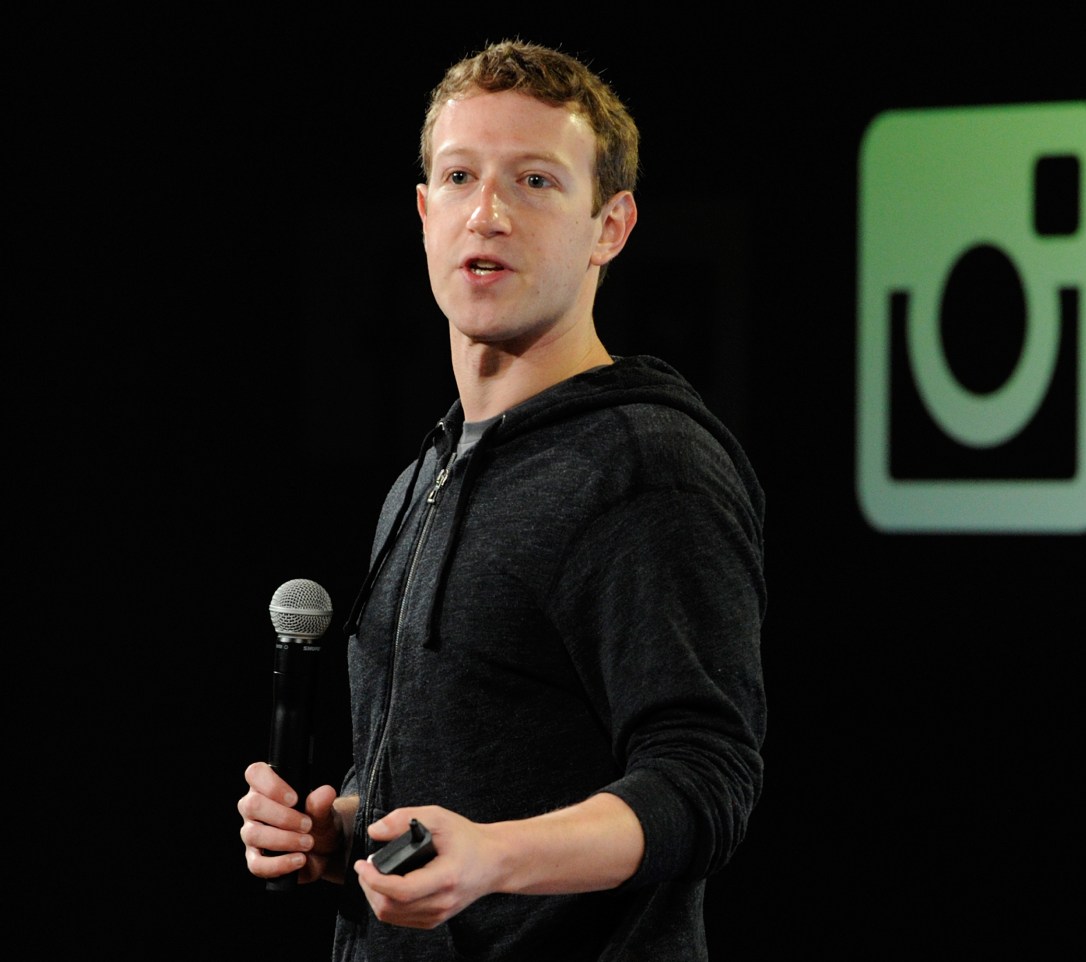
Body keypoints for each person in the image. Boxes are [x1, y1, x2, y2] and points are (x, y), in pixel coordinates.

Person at [237, 39, 767, 960]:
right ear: (422, 211)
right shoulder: (424, 474)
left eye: (533, 181)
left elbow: (704, 779)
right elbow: (457, 763)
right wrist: (345, 835)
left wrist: (496, 860)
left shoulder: (647, 466)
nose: (487, 213)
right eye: (458, 177)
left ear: (611, 225)